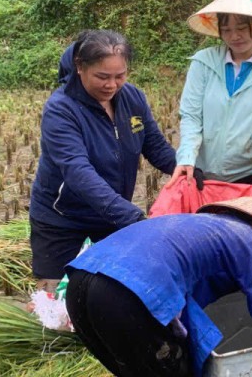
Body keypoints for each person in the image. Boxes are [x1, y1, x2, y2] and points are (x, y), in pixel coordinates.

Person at [65, 195, 252, 377]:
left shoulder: (198, 228)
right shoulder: (250, 239)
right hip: (124, 293)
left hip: (78, 285)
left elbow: (184, 305)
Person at [29, 30, 177, 290]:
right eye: (102, 77)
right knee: (56, 300)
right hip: (63, 222)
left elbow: (154, 146)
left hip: (110, 218)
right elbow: (78, 172)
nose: (111, 85)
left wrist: (187, 170)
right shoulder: (61, 109)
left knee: (108, 294)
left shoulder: (132, 98)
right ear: (80, 68)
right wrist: (131, 216)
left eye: (120, 76)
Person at [166, 0, 252, 195]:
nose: (234, 36)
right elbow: (191, 116)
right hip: (200, 176)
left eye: (241, 28)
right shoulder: (204, 62)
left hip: (248, 178)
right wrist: (187, 157)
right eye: (226, 30)